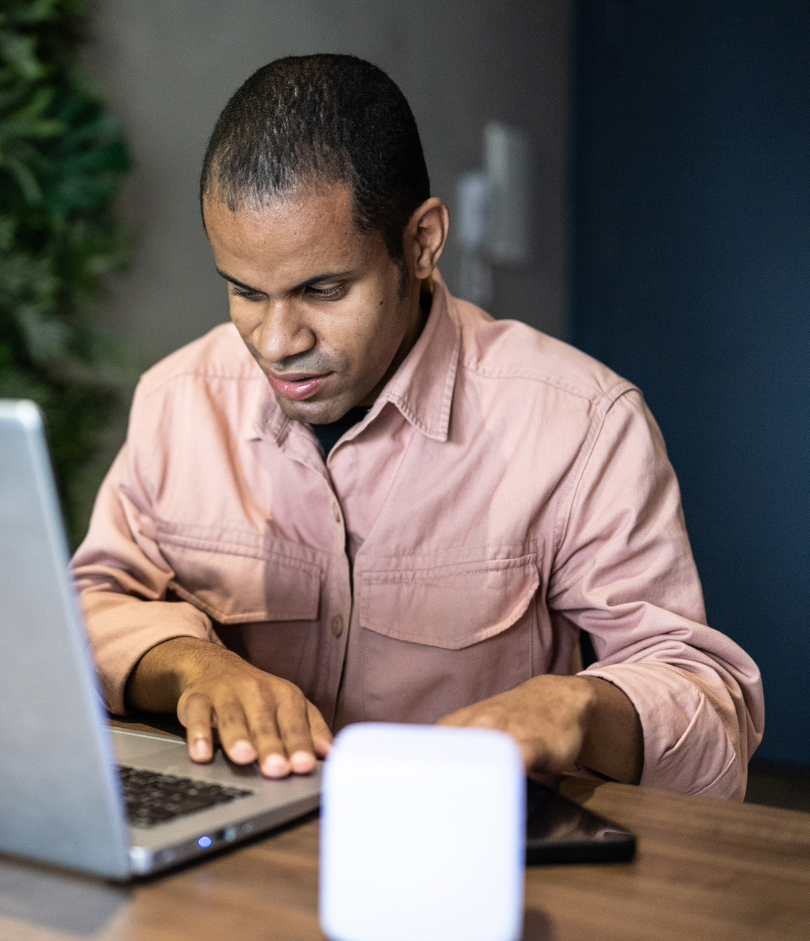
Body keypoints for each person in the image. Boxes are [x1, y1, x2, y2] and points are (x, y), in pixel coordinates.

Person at [71, 54, 763, 799]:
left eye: (322, 289)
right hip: (229, 860)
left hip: (467, 862)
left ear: (422, 243)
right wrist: (193, 666)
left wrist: (578, 707)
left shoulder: (582, 425)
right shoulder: (177, 400)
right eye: (244, 291)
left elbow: (711, 712)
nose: (275, 342)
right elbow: (83, 610)